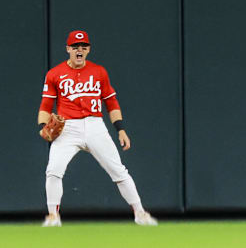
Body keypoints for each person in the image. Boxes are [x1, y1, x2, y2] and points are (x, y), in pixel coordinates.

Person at [37, 30, 158, 227]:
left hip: (95, 126)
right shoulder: (54, 74)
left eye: (83, 46)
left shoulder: (99, 72)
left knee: (119, 171)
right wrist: (43, 126)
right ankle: (53, 216)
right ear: (68, 49)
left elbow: (111, 102)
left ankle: (140, 213)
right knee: (53, 171)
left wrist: (120, 129)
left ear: (88, 49)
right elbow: (45, 105)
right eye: (75, 47)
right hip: (67, 128)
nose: (79, 50)